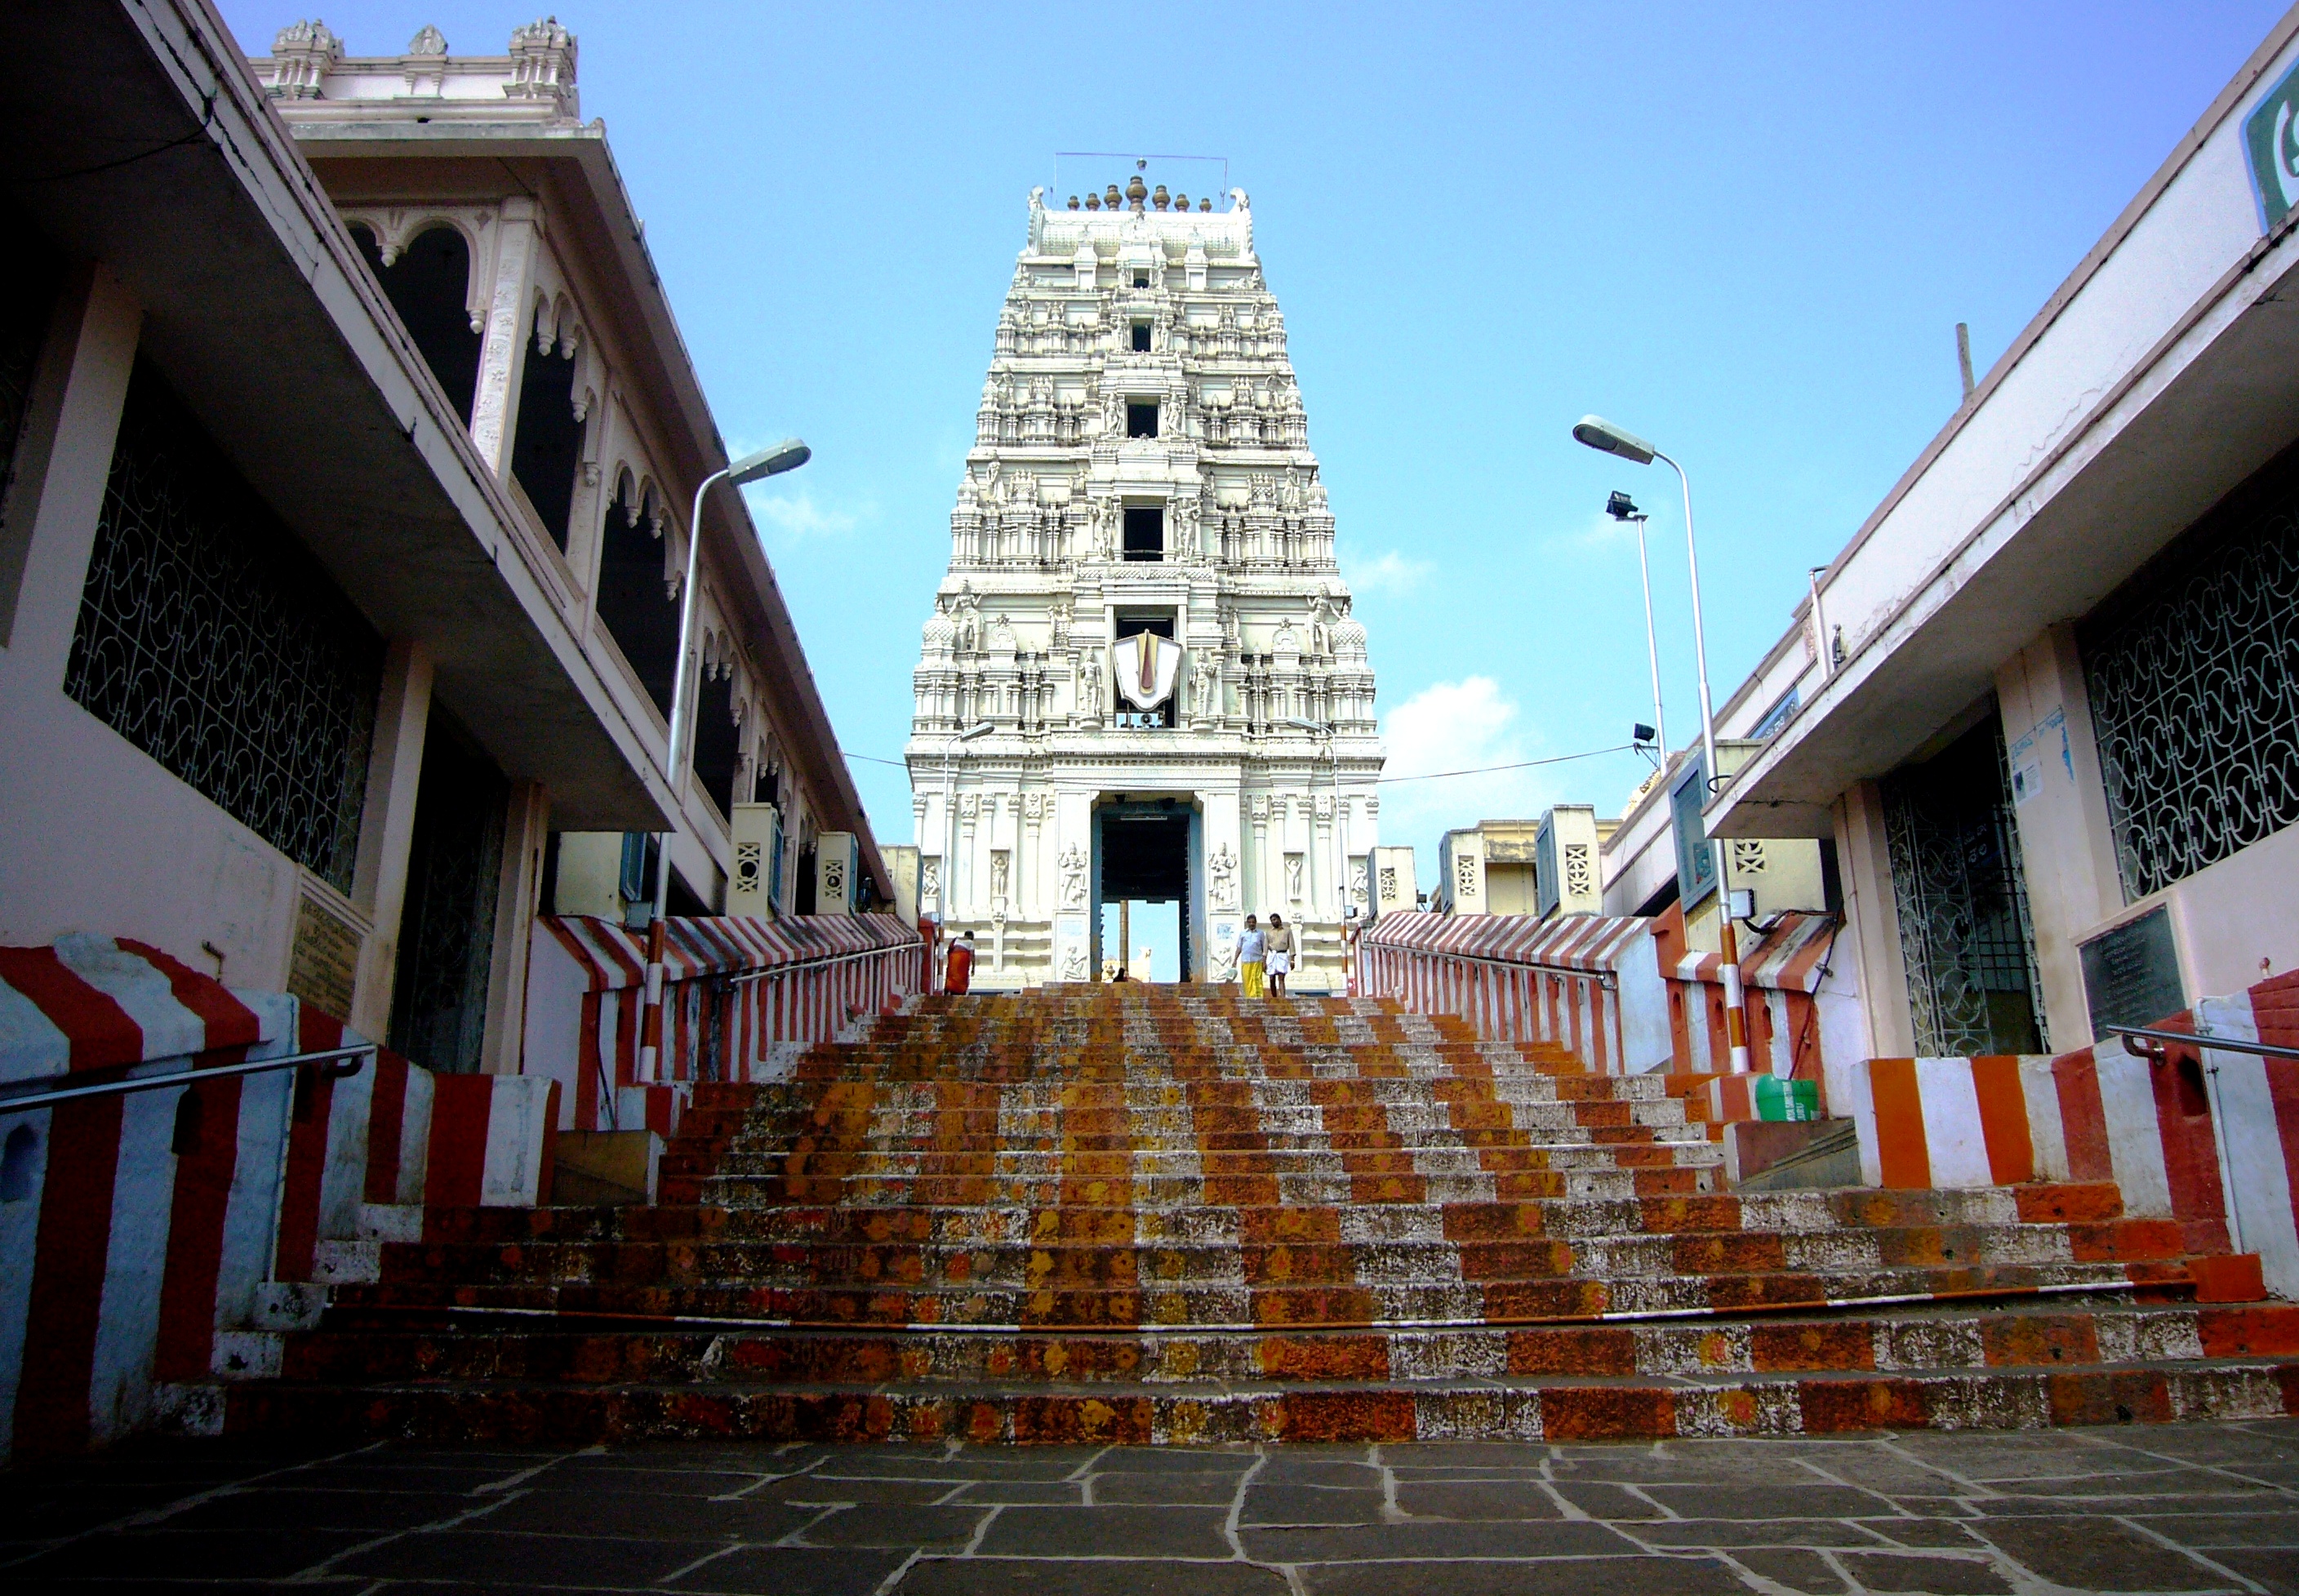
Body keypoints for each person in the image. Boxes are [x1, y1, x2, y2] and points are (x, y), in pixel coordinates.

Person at [1264, 913, 1293, 998]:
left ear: (1279, 920)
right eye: (1272, 921)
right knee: (1272, 978)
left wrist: (1292, 959)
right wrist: (1264, 962)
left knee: (1281, 978)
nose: (1274, 922)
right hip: (1272, 956)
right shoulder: (1269, 933)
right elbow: (1265, 948)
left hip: (1282, 955)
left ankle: (1283, 997)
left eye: (1275, 920)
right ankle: (1274, 997)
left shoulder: (1287, 931)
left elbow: (1291, 945)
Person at [1238, 914, 1266, 1000]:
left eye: (1253, 922)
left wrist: (1265, 961)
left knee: (1257, 979)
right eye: (1249, 922)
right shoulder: (1243, 934)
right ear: (1247, 923)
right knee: (1247, 979)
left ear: (1256, 923)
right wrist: (1235, 960)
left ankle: (1259, 997)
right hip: (1246, 960)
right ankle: (1250, 997)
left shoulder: (1260, 934)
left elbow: (1264, 948)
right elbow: (1239, 947)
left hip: (1257, 960)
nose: (1251, 924)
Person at [945, 929, 975, 995]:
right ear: (970, 936)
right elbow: (972, 955)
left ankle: (949, 989)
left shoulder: (956, 939)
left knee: (951, 974)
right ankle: (960, 991)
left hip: (953, 958)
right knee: (962, 976)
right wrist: (973, 968)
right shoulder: (970, 942)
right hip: (963, 959)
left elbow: (949, 951)